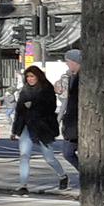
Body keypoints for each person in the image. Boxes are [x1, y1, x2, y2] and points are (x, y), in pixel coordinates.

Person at [13, 63, 72, 194]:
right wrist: (15, 129)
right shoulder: (25, 90)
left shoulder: (47, 89)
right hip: (27, 127)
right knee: (24, 155)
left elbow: (49, 109)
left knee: (49, 158)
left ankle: (62, 175)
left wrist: (32, 106)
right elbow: (19, 111)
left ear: (38, 77)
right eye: (27, 77)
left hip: (43, 128)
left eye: (32, 76)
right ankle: (23, 185)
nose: (30, 79)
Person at [59, 48, 83, 183]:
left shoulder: (79, 78)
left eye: (68, 62)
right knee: (68, 153)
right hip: (72, 124)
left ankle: (84, 173)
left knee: (68, 152)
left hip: (75, 124)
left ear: (74, 62)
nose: (67, 65)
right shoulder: (72, 77)